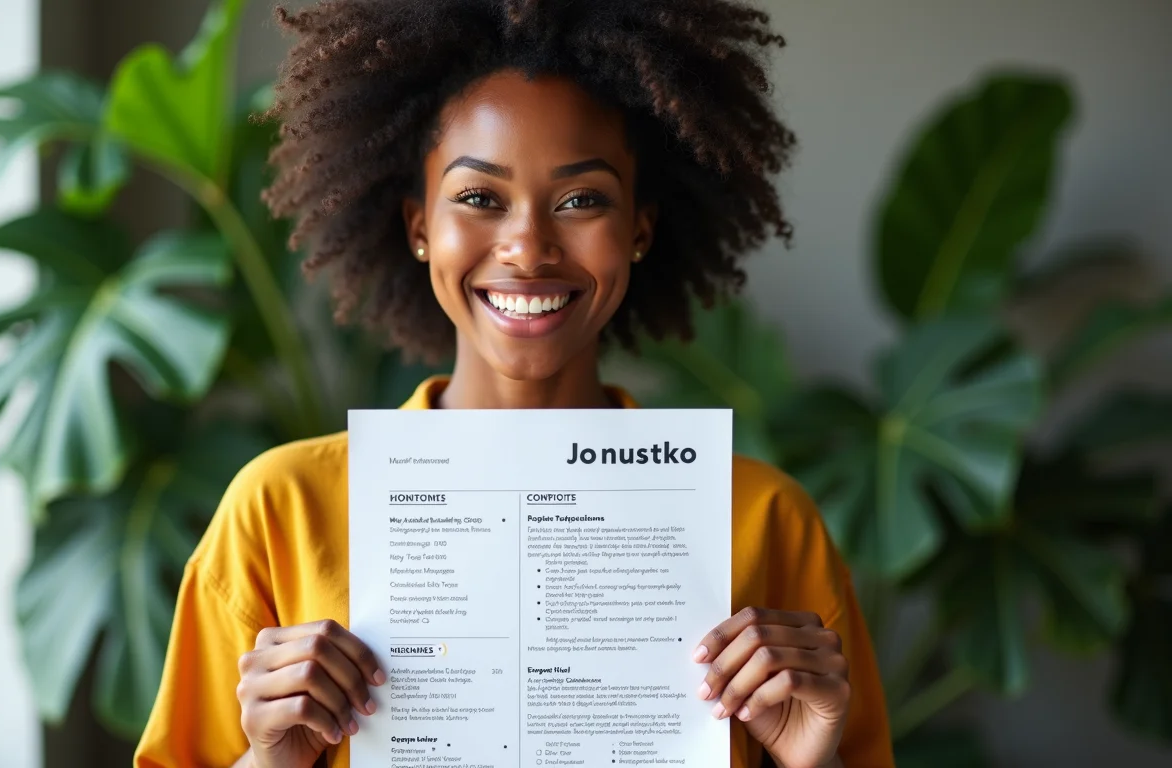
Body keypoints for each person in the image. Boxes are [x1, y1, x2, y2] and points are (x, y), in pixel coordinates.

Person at [134, 1, 893, 766]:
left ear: (639, 229)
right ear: (419, 226)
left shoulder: (766, 522)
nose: (527, 247)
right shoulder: (279, 510)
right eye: (479, 198)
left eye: (581, 200)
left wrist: (812, 760)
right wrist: (270, 758)